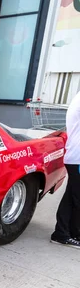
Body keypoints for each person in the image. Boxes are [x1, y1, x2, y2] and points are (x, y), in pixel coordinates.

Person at [51, 90, 80, 249]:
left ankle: (63, 233)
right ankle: (69, 233)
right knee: (76, 199)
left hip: (75, 157)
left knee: (71, 196)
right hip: (77, 158)